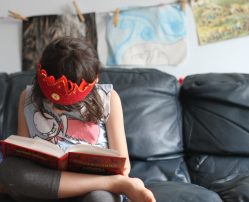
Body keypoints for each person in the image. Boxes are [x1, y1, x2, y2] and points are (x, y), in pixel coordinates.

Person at [0, 37, 156, 202]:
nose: (57, 106)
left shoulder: (109, 99)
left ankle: (113, 184)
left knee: (100, 199)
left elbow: (123, 165)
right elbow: (23, 151)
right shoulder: (27, 97)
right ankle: (113, 183)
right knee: (11, 169)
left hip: (92, 190)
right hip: (45, 183)